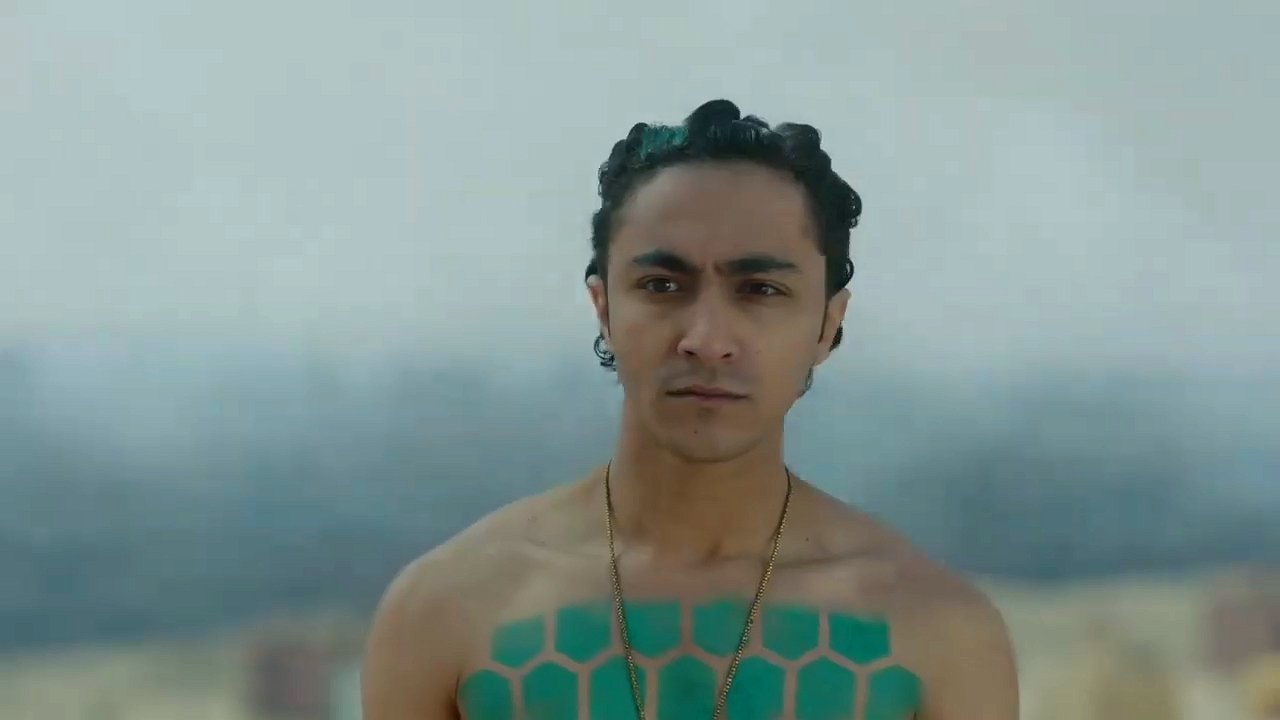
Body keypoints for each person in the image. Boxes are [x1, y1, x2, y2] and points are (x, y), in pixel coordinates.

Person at [361, 99, 1019, 719]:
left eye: (760, 289)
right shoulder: (448, 610)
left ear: (827, 324)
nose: (705, 339)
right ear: (604, 308)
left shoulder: (935, 633)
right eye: (662, 285)